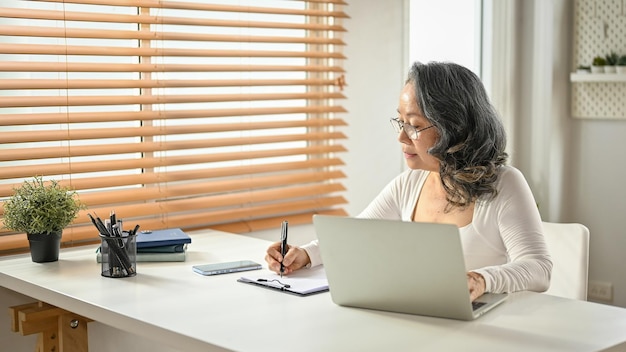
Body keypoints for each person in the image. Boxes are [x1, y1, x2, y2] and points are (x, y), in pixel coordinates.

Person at [265, 61, 552, 301]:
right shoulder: (409, 184)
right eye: (400, 122)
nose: (401, 137)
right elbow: (354, 237)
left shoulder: (504, 184)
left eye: (414, 126)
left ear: (455, 127)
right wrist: (304, 254)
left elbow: (539, 269)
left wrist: (482, 280)